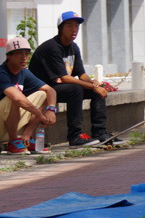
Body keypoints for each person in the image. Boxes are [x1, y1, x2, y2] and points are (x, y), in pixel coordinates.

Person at [28, 11, 121, 147]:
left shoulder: (73, 47)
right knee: (75, 89)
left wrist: (93, 82)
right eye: (69, 26)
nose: (74, 30)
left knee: (96, 92)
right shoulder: (52, 48)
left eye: (76, 26)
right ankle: (75, 136)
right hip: (42, 89)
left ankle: (100, 133)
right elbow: (65, 78)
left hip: (57, 88)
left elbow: (81, 74)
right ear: (61, 28)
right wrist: (92, 86)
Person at [1, 37, 57, 154]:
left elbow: (50, 90)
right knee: (15, 97)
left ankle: (26, 138)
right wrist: (40, 114)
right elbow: (17, 98)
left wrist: (51, 109)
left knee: (43, 94)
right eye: (19, 53)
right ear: (9, 56)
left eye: (26, 53)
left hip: (10, 123)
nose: (24, 57)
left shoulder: (24, 72)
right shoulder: (2, 72)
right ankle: (13, 142)